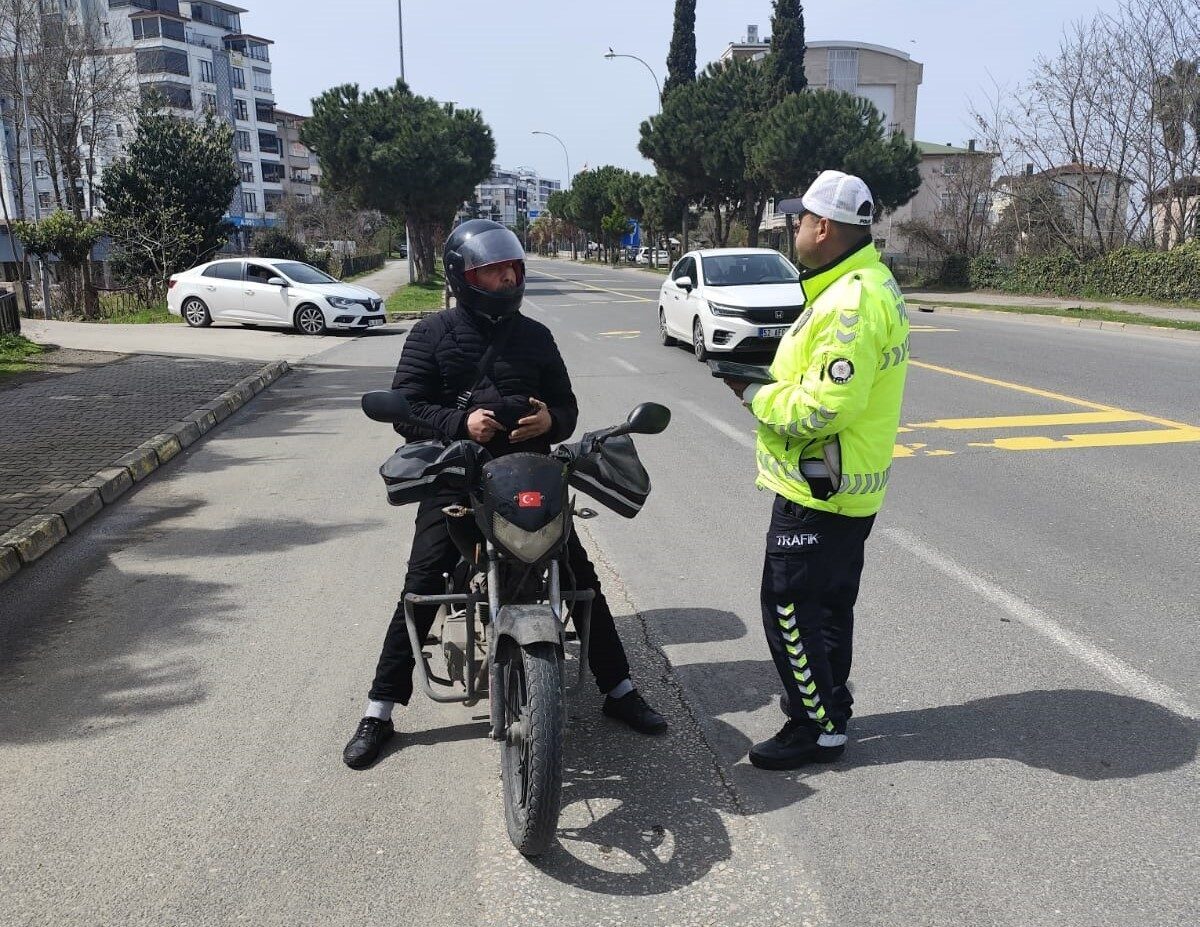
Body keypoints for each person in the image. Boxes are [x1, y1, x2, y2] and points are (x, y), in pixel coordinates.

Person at [344, 219, 667, 769]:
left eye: (511, 269)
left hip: (527, 474)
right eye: (492, 271)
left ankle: (619, 690)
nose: (505, 278)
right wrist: (459, 425)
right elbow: (407, 409)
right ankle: (379, 710)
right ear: (465, 277)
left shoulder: (536, 337)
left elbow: (566, 407)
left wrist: (549, 420)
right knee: (423, 580)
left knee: (579, 574)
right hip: (454, 476)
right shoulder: (431, 334)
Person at [722, 171, 911, 770]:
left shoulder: (850, 301)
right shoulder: (860, 284)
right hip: (844, 485)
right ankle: (829, 701)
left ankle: (814, 727)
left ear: (823, 227)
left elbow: (829, 405)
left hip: (819, 487)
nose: (794, 229)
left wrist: (754, 396)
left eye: (799, 220)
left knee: (788, 605)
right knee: (829, 604)